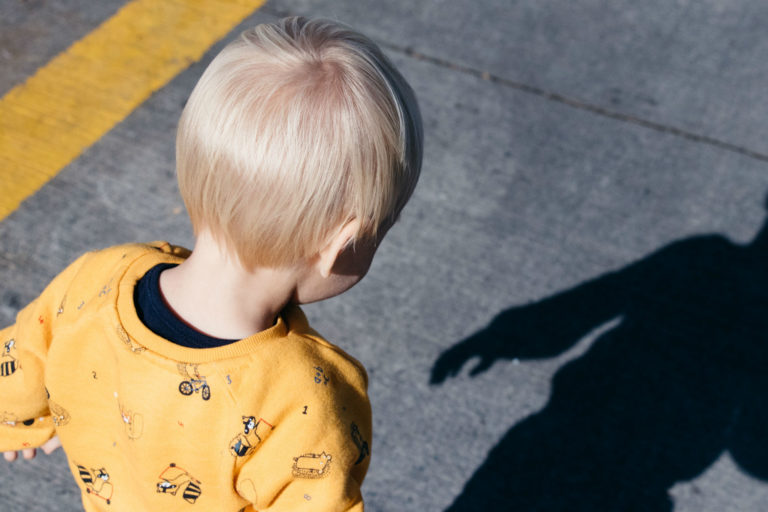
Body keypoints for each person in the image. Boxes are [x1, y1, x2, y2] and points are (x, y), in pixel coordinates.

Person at [0, 16, 422, 512]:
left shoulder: (95, 279)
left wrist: (24, 423)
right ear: (340, 244)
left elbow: (21, 365)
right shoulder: (304, 400)